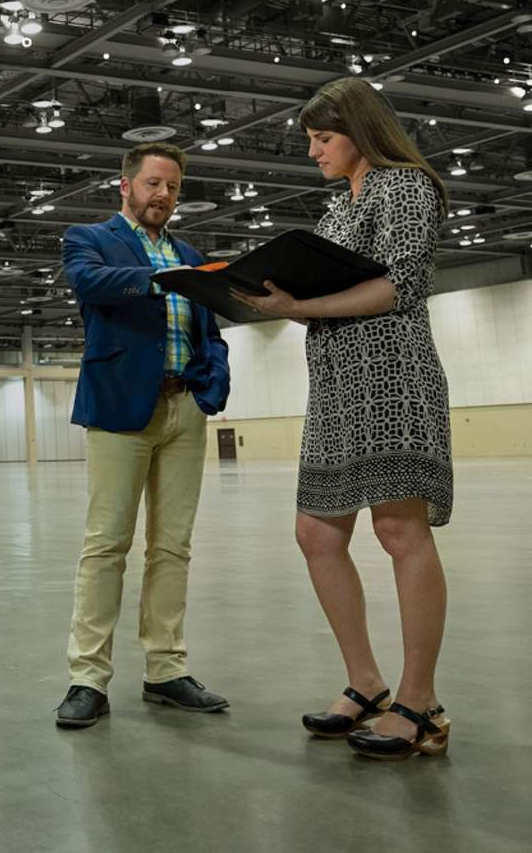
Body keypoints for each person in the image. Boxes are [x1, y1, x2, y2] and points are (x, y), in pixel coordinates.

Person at [232, 78, 452, 761]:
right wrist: (276, 298)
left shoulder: (404, 187)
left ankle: (420, 702)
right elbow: (329, 290)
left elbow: (399, 285)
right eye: (310, 139)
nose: (314, 151)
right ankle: (367, 683)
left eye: (323, 137)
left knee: (398, 529)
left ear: (361, 130)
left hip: (393, 379)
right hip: (334, 385)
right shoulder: (337, 208)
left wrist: (300, 308)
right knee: (315, 534)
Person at [56, 142, 231, 727]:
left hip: (185, 407)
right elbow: (89, 283)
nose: (164, 195)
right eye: (154, 183)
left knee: (173, 545)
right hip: (119, 408)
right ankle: (88, 678)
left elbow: (210, 331)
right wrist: (162, 279)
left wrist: (212, 385)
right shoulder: (89, 238)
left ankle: (165, 669)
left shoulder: (190, 254)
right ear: (126, 185)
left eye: (173, 187)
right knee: (106, 545)